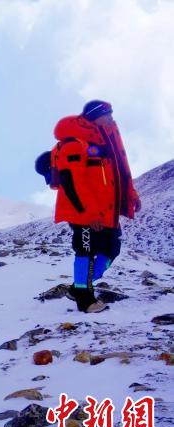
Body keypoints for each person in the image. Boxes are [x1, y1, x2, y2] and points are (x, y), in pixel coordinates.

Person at [46, 100, 140, 312]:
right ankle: (85, 300)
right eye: (107, 115)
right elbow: (72, 183)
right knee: (85, 252)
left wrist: (131, 194)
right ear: (95, 117)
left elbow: (119, 173)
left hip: (106, 212)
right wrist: (89, 214)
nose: (111, 119)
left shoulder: (103, 144)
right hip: (84, 213)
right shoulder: (74, 145)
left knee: (112, 250)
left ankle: (77, 288)